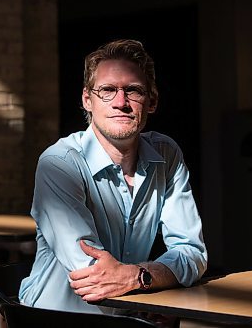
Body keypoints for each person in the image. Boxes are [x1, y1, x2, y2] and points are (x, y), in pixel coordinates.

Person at [18, 39, 207, 315]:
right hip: (53, 319)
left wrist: (138, 277)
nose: (121, 102)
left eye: (133, 91)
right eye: (107, 90)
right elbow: (94, 275)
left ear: (151, 101)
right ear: (87, 100)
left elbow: (192, 253)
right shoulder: (59, 163)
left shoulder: (166, 155)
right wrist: (155, 278)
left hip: (132, 315)